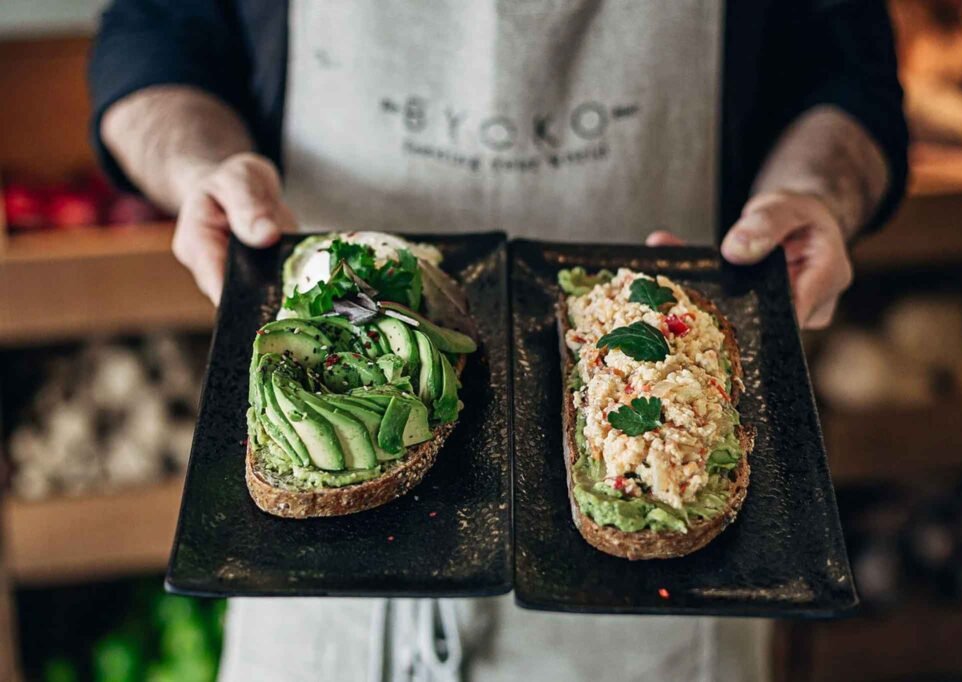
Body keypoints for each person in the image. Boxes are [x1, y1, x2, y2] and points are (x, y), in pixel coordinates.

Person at [89, 1, 908, 680]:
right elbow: (151, 39)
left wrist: (814, 193)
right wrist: (203, 168)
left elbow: (849, 78)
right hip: (320, 589)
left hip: (663, 621)